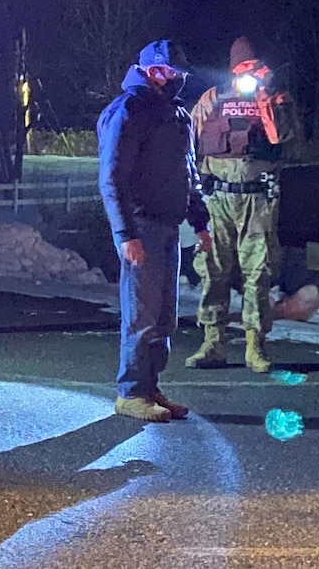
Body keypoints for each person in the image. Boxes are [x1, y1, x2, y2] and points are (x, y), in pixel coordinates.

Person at [97, 40, 213, 422]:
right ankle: (131, 392)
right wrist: (124, 234)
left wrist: (200, 223)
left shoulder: (175, 113)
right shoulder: (128, 110)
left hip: (168, 225)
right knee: (141, 314)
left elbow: (187, 173)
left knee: (164, 316)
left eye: (177, 72)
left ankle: (150, 386)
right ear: (149, 70)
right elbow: (112, 177)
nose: (174, 78)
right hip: (142, 225)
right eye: (167, 71)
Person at [185, 37, 294, 373]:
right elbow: (190, 143)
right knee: (212, 269)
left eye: (254, 68)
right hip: (217, 197)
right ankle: (212, 343)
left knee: (258, 271)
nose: (248, 74)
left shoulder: (277, 99)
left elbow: (282, 136)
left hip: (258, 199)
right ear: (232, 70)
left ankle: (255, 345)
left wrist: (265, 101)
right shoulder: (212, 99)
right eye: (242, 69)